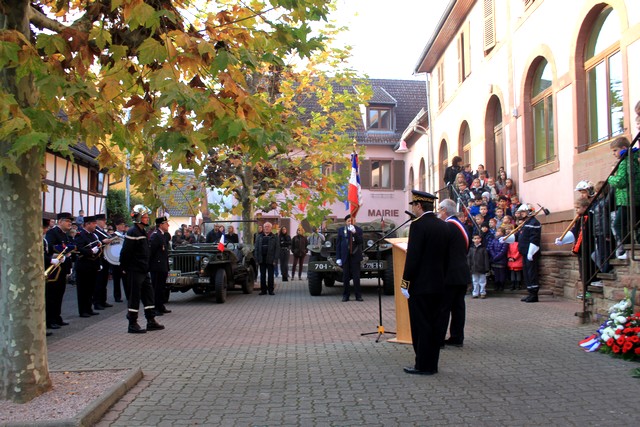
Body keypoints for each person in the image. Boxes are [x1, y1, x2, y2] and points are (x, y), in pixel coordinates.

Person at [400, 190, 450, 375]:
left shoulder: (418, 226)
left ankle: (422, 365)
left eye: (413, 205)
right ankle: (432, 364)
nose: (413, 208)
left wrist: (405, 282)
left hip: (420, 286)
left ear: (419, 206)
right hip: (439, 283)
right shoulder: (444, 226)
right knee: (435, 325)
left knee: (421, 325)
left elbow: (413, 258)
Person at [119, 205, 164, 333]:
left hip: (144, 270)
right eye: (145, 216)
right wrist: (124, 267)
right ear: (138, 218)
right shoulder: (133, 232)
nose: (147, 218)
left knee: (148, 295)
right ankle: (132, 323)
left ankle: (151, 320)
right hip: (135, 269)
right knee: (134, 296)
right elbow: (126, 252)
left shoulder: (142, 231)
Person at [437, 198, 471, 349]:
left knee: (444, 308)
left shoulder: (447, 227)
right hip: (461, 272)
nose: (438, 213)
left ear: (444, 211)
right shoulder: (461, 226)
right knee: (458, 308)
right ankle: (457, 337)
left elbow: (441, 251)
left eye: (439, 210)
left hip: (449, 274)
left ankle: (438, 339)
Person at [607, 136, 640, 259]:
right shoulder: (634, 158)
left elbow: (621, 181)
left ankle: (628, 249)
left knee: (618, 225)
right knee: (634, 224)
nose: (614, 154)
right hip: (634, 198)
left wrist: (610, 177)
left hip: (627, 199)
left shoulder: (624, 161)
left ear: (623, 148)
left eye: (615, 150)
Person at [502, 204, 542, 302]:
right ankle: (530, 292)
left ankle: (534, 294)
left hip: (530, 252)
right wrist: (506, 239)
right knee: (527, 273)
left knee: (531, 273)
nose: (521, 214)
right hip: (524, 252)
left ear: (529, 212)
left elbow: (534, 238)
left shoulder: (534, 223)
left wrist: (531, 252)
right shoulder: (525, 223)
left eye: (523, 212)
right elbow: (518, 237)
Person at [45, 212, 74, 329]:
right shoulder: (52, 233)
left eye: (70, 222)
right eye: (67, 221)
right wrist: (62, 252)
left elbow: (67, 247)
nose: (70, 224)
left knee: (60, 294)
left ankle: (57, 317)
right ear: (60, 221)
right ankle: (50, 319)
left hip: (62, 267)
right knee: (52, 295)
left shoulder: (64, 234)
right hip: (54, 268)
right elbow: (51, 247)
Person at [73, 215, 101, 317]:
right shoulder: (80, 235)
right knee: (83, 289)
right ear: (87, 224)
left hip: (92, 265)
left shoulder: (93, 235)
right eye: (93, 223)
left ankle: (89, 308)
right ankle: (83, 310)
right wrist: (90, 251)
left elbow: (97, 245)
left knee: (90, 288)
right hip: (83, 266)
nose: (95, 225)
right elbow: (78, 248)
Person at [336, 214, 364, 302]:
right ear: (346, 222)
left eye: (352, 221)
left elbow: (360, 242)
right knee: (345, 277)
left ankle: (358, 295)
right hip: (345, 256)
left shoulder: (358, 230)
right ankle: (346, 296)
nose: (350, 222)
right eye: (348, 221)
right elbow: (338, 245)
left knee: (356, 277)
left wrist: (355, 233)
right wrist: (338, 258)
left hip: (355, 256)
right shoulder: (341, 230)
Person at [93, 213, 115, 310]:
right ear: (97, 221)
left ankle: (103, 300)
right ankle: (97, 302)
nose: (104, 222)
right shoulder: (96, 231)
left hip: (105, 259)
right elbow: (97, 242)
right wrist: (103, 242)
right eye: (102, 220)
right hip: (99, 258)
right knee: (99, 282)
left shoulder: (103, 231)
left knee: (104, 281)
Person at [254, 221, 279, 295]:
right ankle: (263, 290)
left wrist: (275, 260)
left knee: (271, 275)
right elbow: (256, 248)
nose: (266, 228)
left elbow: (277, 249)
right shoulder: (259, 237)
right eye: (265, 227)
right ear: (263, 228)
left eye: (268, 226)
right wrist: (257, 259)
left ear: (271, 228)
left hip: (271, 259)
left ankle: (271, 290)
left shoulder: (275, 237)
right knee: (262, 275)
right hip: (262, 259)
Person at [468, 234, 490, 298]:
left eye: (478, 238)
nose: (476, 240)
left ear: (480, 239)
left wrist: (487, 268)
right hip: (473, 268)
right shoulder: (471, 249)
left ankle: (482, 292)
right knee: (475, 281)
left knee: (482, 281)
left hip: (482, 267)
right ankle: (475, 293)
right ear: (472, 240)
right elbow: (469, 258)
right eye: (475, 238)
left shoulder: (483, 249)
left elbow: (486, 259)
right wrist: (469, 266)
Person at [488, 227, 509, 292]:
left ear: (502, 233)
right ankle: (496, 285)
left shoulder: (504, 240)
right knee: (496, 274)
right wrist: (494, 256)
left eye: (499, 231)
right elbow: (491, 248)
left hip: (501, 260)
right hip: (494, 259)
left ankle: (501, 285)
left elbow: (503, 250)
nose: (497, 233)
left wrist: (497, 257)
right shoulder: (494, 240)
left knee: (501, 274)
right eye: (497, 231)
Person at [112, 218, 127, 302]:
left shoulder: (126, 235)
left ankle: (128, 295)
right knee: (116, 280)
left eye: (123, 224)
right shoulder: (113, 235)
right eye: (121, 225)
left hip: (124, 260)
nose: (123, 226)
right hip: (115, 260)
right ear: (117, 226)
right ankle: (117, 296)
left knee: (126, 279)